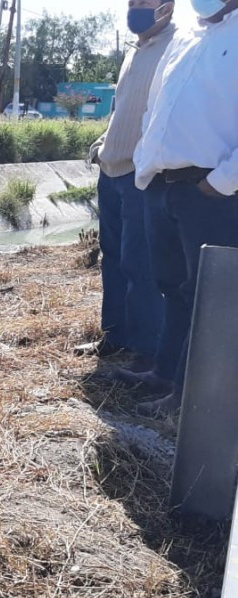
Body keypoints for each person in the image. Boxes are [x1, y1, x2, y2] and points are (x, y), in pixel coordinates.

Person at [130, 0, 238, 416]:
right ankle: (165, 374)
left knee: (209, 300)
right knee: (172, 287)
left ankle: (191, 402)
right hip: (164, 185)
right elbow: (157, 110)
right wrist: (146, 166)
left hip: (213, 192)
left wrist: (222, 182)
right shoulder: (187, 39)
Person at [88, 0, 175, 375]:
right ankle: (116, 337)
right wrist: (103, 144)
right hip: (111, 170)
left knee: (141, 265)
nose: (135, 8)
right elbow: (124, 108)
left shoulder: (175, 48)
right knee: (114, 259)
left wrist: (143, 158)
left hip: (141, 176)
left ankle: (146, 353)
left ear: (167, 7)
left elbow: (165, 113)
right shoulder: (135, 51)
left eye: (144, 2)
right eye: (132, 2)